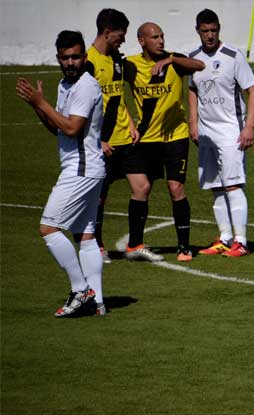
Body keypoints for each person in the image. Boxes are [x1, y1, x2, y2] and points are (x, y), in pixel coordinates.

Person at [16, 30, 107, 317]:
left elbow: (71, 128)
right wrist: (38, 107)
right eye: (65, 57)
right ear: (58, 58)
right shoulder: (65, 85)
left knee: (49, 228)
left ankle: (81, 291)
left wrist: (41, 103)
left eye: (76, 57)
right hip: (84, 168)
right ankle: (98, 303)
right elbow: (57, 128)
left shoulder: (86, 86)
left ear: (84, 57)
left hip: (81, 170)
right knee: (85, 235)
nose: (71, 62)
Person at [86, 9, 162, 263]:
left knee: (142, 187)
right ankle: (96, 247)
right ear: (107, 33)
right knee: (99, 195)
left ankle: (135, 246)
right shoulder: (88, 62)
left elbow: (117, 97)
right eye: (121, 35)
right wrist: (97, 140)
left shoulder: (117, 59)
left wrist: (130, 123)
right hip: (102, 141)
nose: (123, 40)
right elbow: (80, 106)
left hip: (125, 139)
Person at [125, 22, 204, 262]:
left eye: (162, 36)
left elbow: (199, 65)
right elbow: (113, 95)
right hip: (145, 138)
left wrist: (171, 61)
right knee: (142, 189)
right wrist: (128, 122)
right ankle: (134, 245)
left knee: (176, 188)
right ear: (142, 41)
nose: (160, 41)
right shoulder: (130, 65)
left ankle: (184, 247)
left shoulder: (175, 62)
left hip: (175, 136)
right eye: (155, 37)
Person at [188, 9, 254, 258]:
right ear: (198, 30)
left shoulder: (233, 56)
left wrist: (248, 126)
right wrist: (193, 122)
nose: (210, 35)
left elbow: (253, 90)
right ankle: (224, 237)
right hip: (206, 132)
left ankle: (241, 241)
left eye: (214, 30)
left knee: (232, 185)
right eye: (205, 31)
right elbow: (193, 89)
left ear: (219, 29)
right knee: (215, 186)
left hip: (231, 130)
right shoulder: (193, 58)